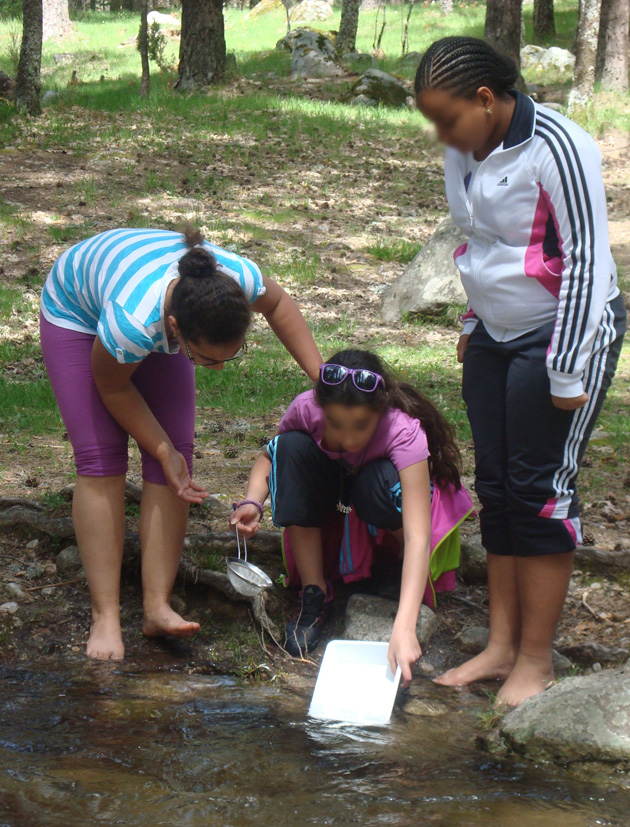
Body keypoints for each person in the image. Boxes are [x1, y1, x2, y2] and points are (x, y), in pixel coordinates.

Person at [414, 37, 626, 705]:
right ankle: (501, 643)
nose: (441, 135)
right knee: (498, 484)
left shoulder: (558, 144)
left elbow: (588, 259)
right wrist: (475, 324)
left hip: (563, 334)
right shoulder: (462, 147)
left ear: (486, 99)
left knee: (540, 487)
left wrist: (566, 370)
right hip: (494, 334)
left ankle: (537, 658)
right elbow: (477, 240)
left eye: (447, 119)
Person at [40, 225, 322, 661]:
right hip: (77, 310)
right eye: (206, 358)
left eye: (231, 355)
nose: (218, 370)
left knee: (179, 461)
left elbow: (279, 303)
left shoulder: (237, 280)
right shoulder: (132, 324)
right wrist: (160, 448)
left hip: (151, 299)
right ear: (175, 328)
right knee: (101, 459)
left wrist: (321, 379)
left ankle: (156, 606)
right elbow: (112, 388)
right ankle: (106, 617)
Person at [230, 349, 473, 686]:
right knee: (292, 447)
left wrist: (404, 627)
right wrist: (253, 502)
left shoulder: (402, 431)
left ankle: (395, 569)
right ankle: (315, 592)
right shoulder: (306, 408)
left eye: (360, 426)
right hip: (334, 501)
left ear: (380, 411)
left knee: (378, 480)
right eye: (335, 424)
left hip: (380, 507)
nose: (347, 438)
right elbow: (271, 457)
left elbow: (420, 534)